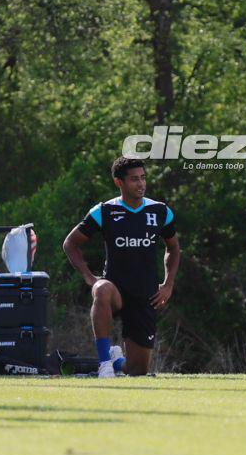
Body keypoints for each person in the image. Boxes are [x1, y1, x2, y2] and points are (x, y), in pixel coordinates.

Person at [63, 157, 181, 377]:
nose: (141, 184)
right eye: (134, 179)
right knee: (101, 289)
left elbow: (173, 249)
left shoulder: (160, 211)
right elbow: (70, 243)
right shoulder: (104, 211)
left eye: (143, 178)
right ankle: (104, 363)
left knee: (138, 371)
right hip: (115, 291)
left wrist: (168, 284)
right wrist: (90, 277)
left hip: (145, 295)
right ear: (119, 182)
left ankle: (117, 362)